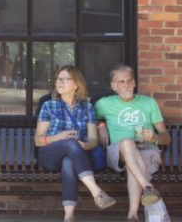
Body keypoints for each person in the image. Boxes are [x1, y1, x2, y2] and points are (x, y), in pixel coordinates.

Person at [35, 65, 116, 222]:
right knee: (68, 143)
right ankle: (96, 191)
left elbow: (93, 139)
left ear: (76, 84)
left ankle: (69, 216)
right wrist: (59, 137)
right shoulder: (49, 105)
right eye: (58, 78)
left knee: (68, 162)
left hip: (77, 155)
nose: (60, 82)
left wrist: (85, 145)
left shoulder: (87, 107)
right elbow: (38, 140)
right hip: (49, 155)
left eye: (65, 79)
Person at [96, 65, 170, 222]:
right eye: (121, 81)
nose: (126, 85)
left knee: (134, 164)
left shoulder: (149, 103)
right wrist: (100, 124)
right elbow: (87, 118)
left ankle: (133, 215)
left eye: (129, 81)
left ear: (135, 83)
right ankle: (148, 188)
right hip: (118, 152)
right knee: (128, 144)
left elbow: (166, 137)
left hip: (147, 149)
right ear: (113, 86)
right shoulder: (103, 104)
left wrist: (154, 138)